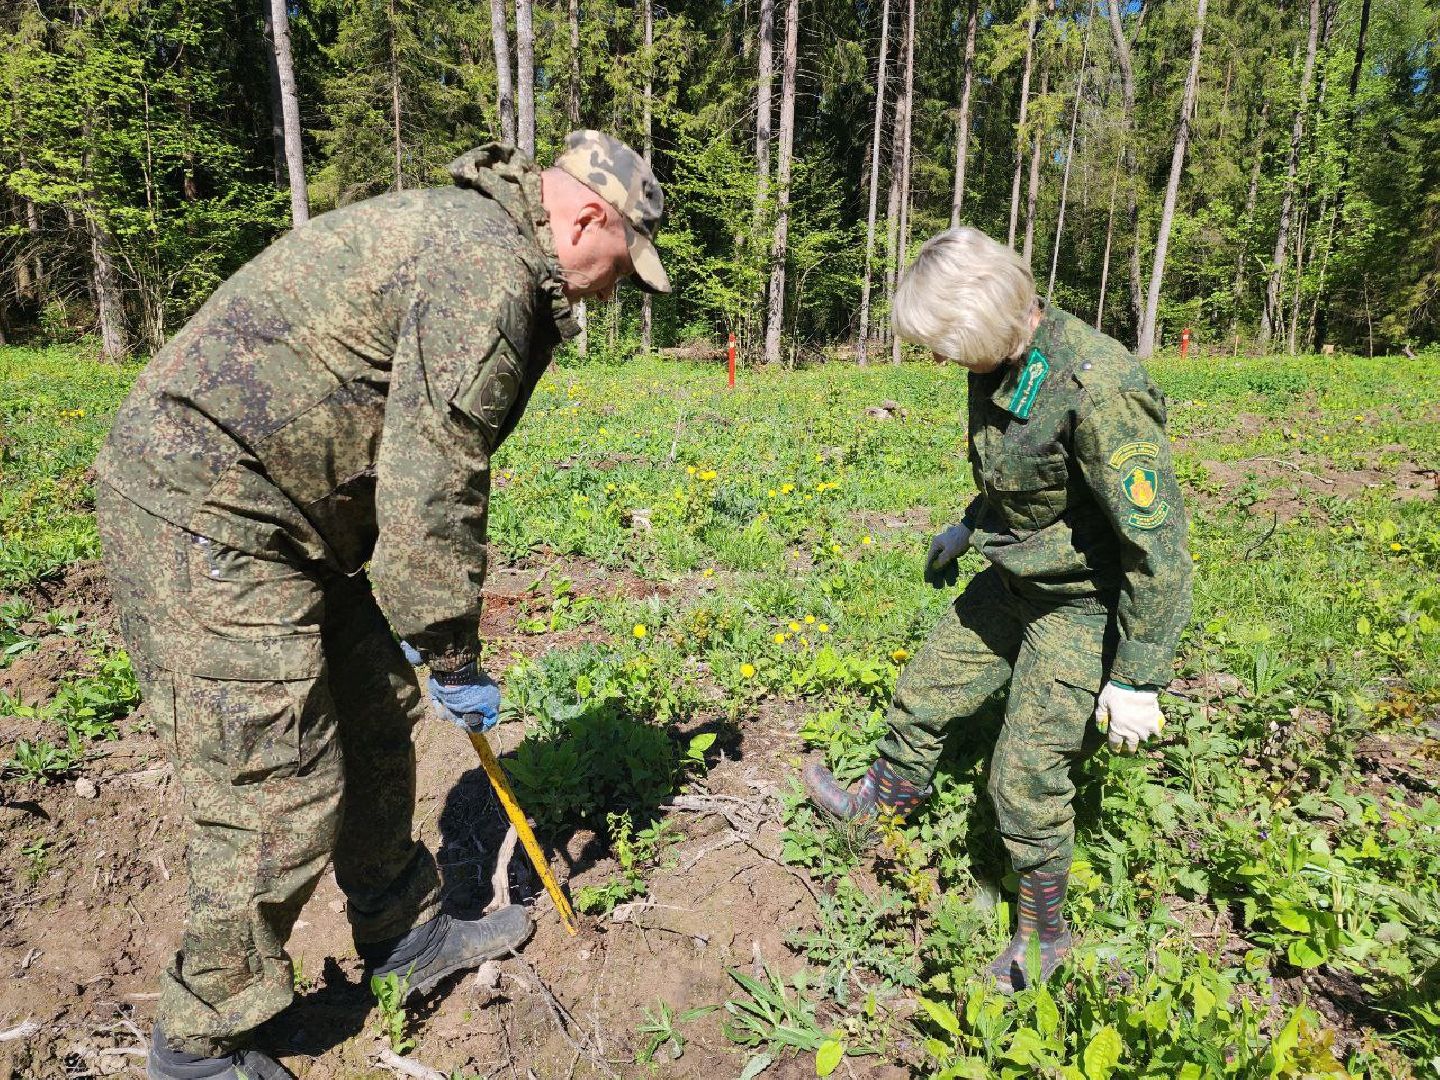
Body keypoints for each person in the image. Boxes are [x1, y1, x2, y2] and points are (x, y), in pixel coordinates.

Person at [95, 130, 670, 1080]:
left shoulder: (485, 247)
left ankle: (404, 932)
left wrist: (415, 634)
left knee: (374, 708)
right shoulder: (484, 270)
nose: (613, 291)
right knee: (273, 781)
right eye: (622, 263)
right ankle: (199, 1045)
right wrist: (448, 646)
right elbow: (432, 480)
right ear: (584, 220)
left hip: (288, 515)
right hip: (207, 506)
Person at [802, 227, 1191, 993]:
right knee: (924, 690)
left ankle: (1044, 937)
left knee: (1024, 777)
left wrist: (1137, 678)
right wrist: (967, 527)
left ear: (983, 320)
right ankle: (877, 810)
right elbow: (1022, 478)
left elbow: (1160, 547)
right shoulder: (1003, 358)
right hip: (1018, 575)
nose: (940, 363)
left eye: (943, 346)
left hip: (1082, 602)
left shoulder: (1099, 390)